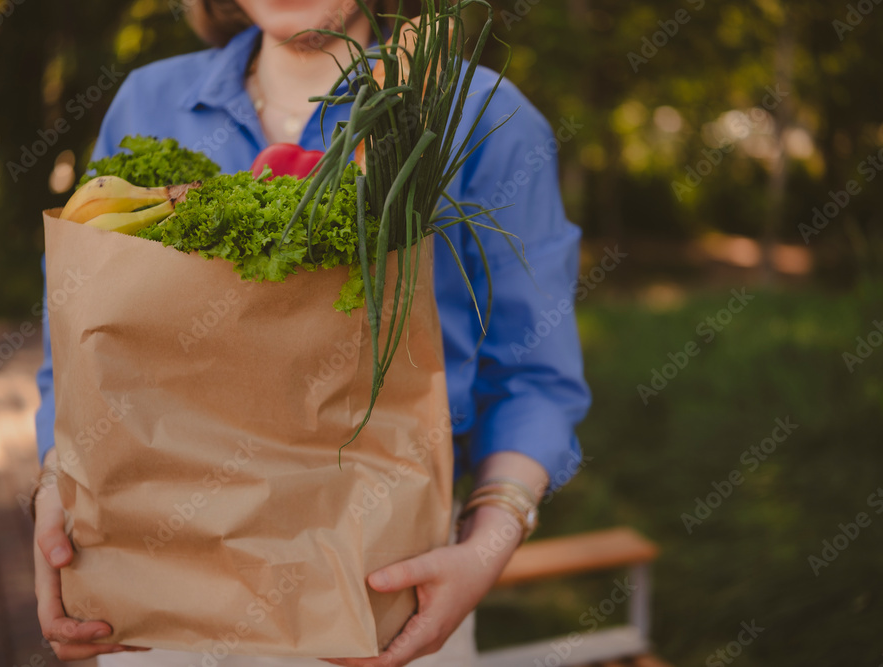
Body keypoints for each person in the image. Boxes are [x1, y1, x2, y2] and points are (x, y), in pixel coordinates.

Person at [31, 1, 591, 665]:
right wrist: (52, 494)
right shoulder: (150, 100)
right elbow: (75, 350)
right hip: (155, 583)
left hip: (374, 584)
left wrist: (486, 546)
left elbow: (533, 376)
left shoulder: (482, 116)